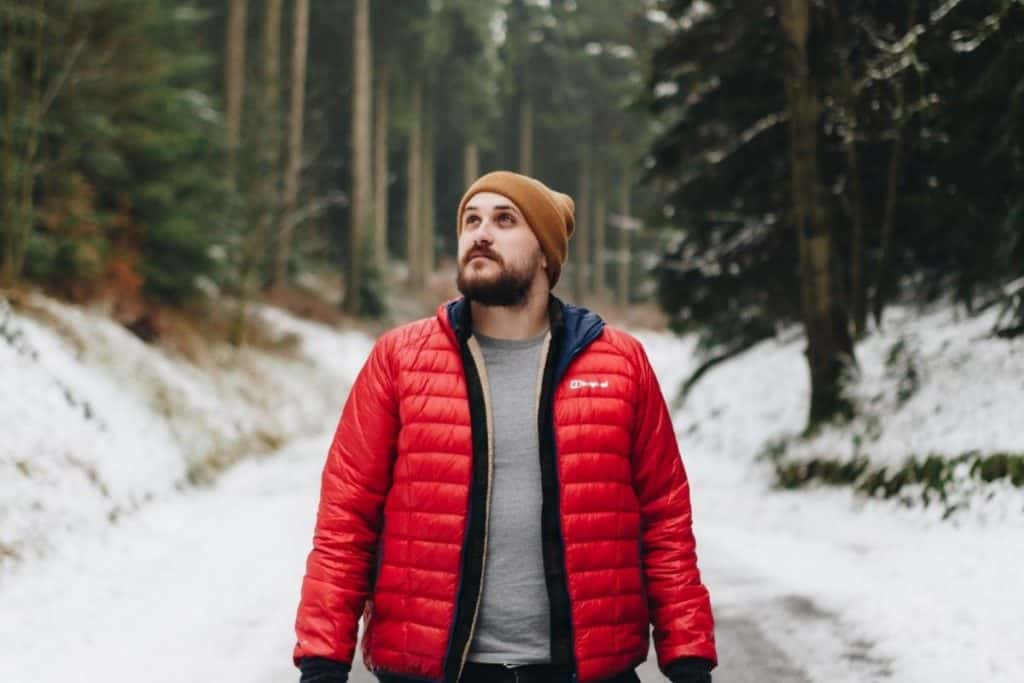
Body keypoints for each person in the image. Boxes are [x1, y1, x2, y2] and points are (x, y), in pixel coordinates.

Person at [292, 171, 717, 683]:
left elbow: (665, 521)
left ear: (545, 255)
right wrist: (322, 661)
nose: (481, 233)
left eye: (504, 219)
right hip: (433, 672)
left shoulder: (618, 364)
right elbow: (346, 518)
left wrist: (688, 658)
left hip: (583, 672)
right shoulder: (401, 360)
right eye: (471, 220)